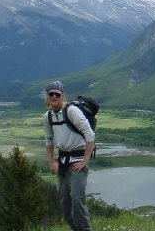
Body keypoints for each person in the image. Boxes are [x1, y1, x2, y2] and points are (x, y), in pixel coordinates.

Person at [43, 81, 95, 231]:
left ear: (62, 96)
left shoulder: (71, 111)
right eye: (51, 94)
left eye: (57, 94)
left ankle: (85, 229)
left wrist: (85, 160)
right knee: (65, 205)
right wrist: (51, 162)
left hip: (78, 160)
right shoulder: (48, 116)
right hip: (63, 162)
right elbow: (48, 139)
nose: (54, 96)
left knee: (77, 199)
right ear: (47, 97)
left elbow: (89, 134)